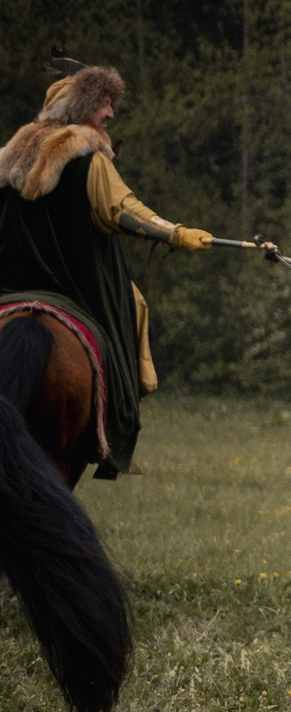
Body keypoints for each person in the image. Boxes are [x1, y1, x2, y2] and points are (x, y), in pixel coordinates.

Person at [0, 64, 212, 477]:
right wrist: (176, 233)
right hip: (75, 288)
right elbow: (124, 210)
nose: (110, 114)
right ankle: (115, 427)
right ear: (80, 108)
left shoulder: (8, 158)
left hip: (9, 286)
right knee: (132, 304)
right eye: (104, 104)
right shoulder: (88, 158)